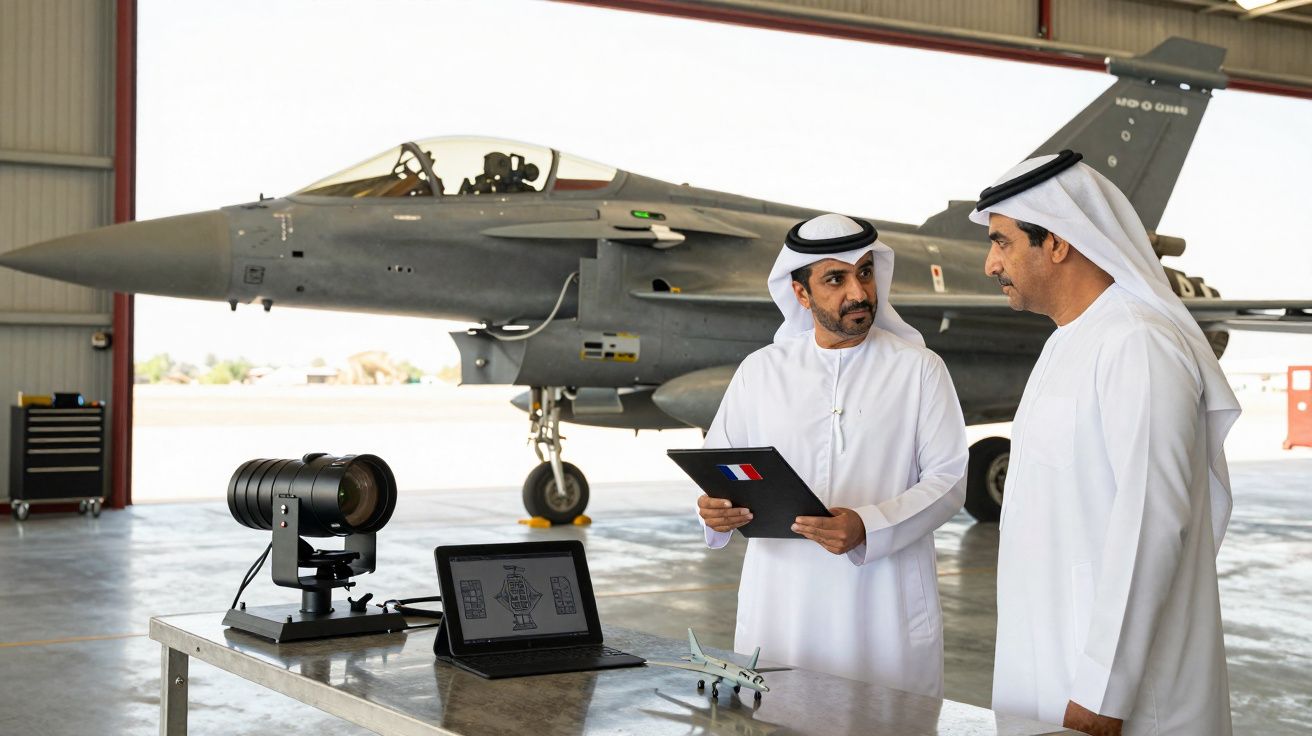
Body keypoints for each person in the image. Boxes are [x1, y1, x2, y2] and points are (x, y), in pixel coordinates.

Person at [972, 151, 1239, 736]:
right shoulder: (1068, 341)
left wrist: (1101, 690)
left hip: (1119, 694)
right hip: (1053, 663)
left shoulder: (1138, 343)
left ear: (1058, 243)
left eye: (1002, 242)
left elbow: (1153, 521)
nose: (991, 263)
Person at [696, 213, 968, 696]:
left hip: (883, 606)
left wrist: (869, 525)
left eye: (865, 272)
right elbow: (718, 468)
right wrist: (713, 512)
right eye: (836, 279)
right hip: (782, 607)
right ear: (801, 294)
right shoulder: (761, 372)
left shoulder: (920, 370)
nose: (859, 293)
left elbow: (948, 479)